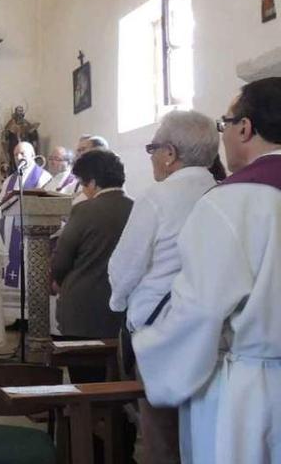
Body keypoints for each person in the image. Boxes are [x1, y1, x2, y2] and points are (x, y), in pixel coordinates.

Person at [133, 77, 281, 463]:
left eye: (224, 125)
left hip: (252, 395)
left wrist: (149, 348)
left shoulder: (231, 202)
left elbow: (200, 310)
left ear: (245, 128)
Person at [108, 111, 219, 464]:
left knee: (158, 436)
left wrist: (119, 302)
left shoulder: (157, 198)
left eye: (153, 148)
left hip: (161, 332)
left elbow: (125, 268)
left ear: (169, 153)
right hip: (212, 332)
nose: (153, 156)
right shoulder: (224, 194)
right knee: (202, 432)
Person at [52, 149, 131, 347]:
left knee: (85, 371)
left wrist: (58, 281)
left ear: (93, 182)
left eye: (82, 183)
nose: (83, 189)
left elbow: (62, 259)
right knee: (117, 372)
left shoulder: (84, 210)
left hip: (83, 307)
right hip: (124, 306)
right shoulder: (136, 207)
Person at [0, 141, 51, 288]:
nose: (18, 157)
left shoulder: (43, 177)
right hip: (10, 228)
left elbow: (46, 204)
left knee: (28, 263)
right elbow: (1, 204)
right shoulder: (9, 180)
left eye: (22, 153)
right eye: (15, 154)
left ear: (33, 155)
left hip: (31, 229)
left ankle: (31, 288)